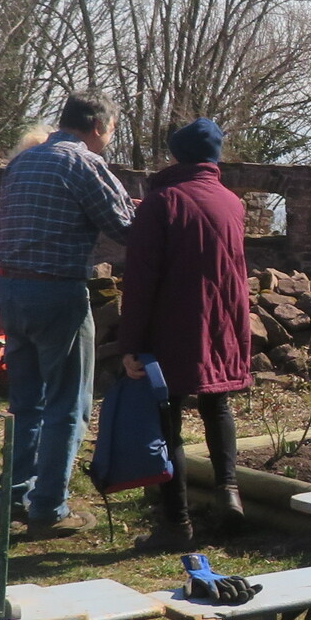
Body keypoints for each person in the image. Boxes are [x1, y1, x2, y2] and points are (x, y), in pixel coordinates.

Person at [0, 92, 133, 535]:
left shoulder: (22, 162)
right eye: (111, 130)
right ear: (98, 127)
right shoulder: (84, 163)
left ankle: (14, 498)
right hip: (55, 291)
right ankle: (49, 507)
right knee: (68, 404)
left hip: (11, 288)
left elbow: (2, 231)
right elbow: (126, 228)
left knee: (26, 404)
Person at [119, 118, 254, 547]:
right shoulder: (232, 202)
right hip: (224, 319)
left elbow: (140, 279)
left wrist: (131, 343)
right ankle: (229, 492)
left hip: (174, 322)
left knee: (168, 421)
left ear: (176, 155)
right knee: (218, 406)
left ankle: (176, 523)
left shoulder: (162, 201)